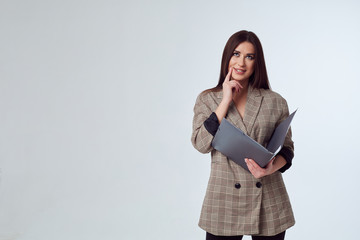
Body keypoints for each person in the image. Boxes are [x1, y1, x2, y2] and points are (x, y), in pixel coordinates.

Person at [191, 30, 295, 240]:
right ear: (227, 57)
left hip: (268, 199)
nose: (241, 62)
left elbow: (287, 149)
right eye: (236, 54)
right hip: (224, 200)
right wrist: (224, 101)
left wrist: (270, 168)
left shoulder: (275, 101)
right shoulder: (207, 99)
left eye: (250, 57)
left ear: (257, 63)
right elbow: (200, 144)